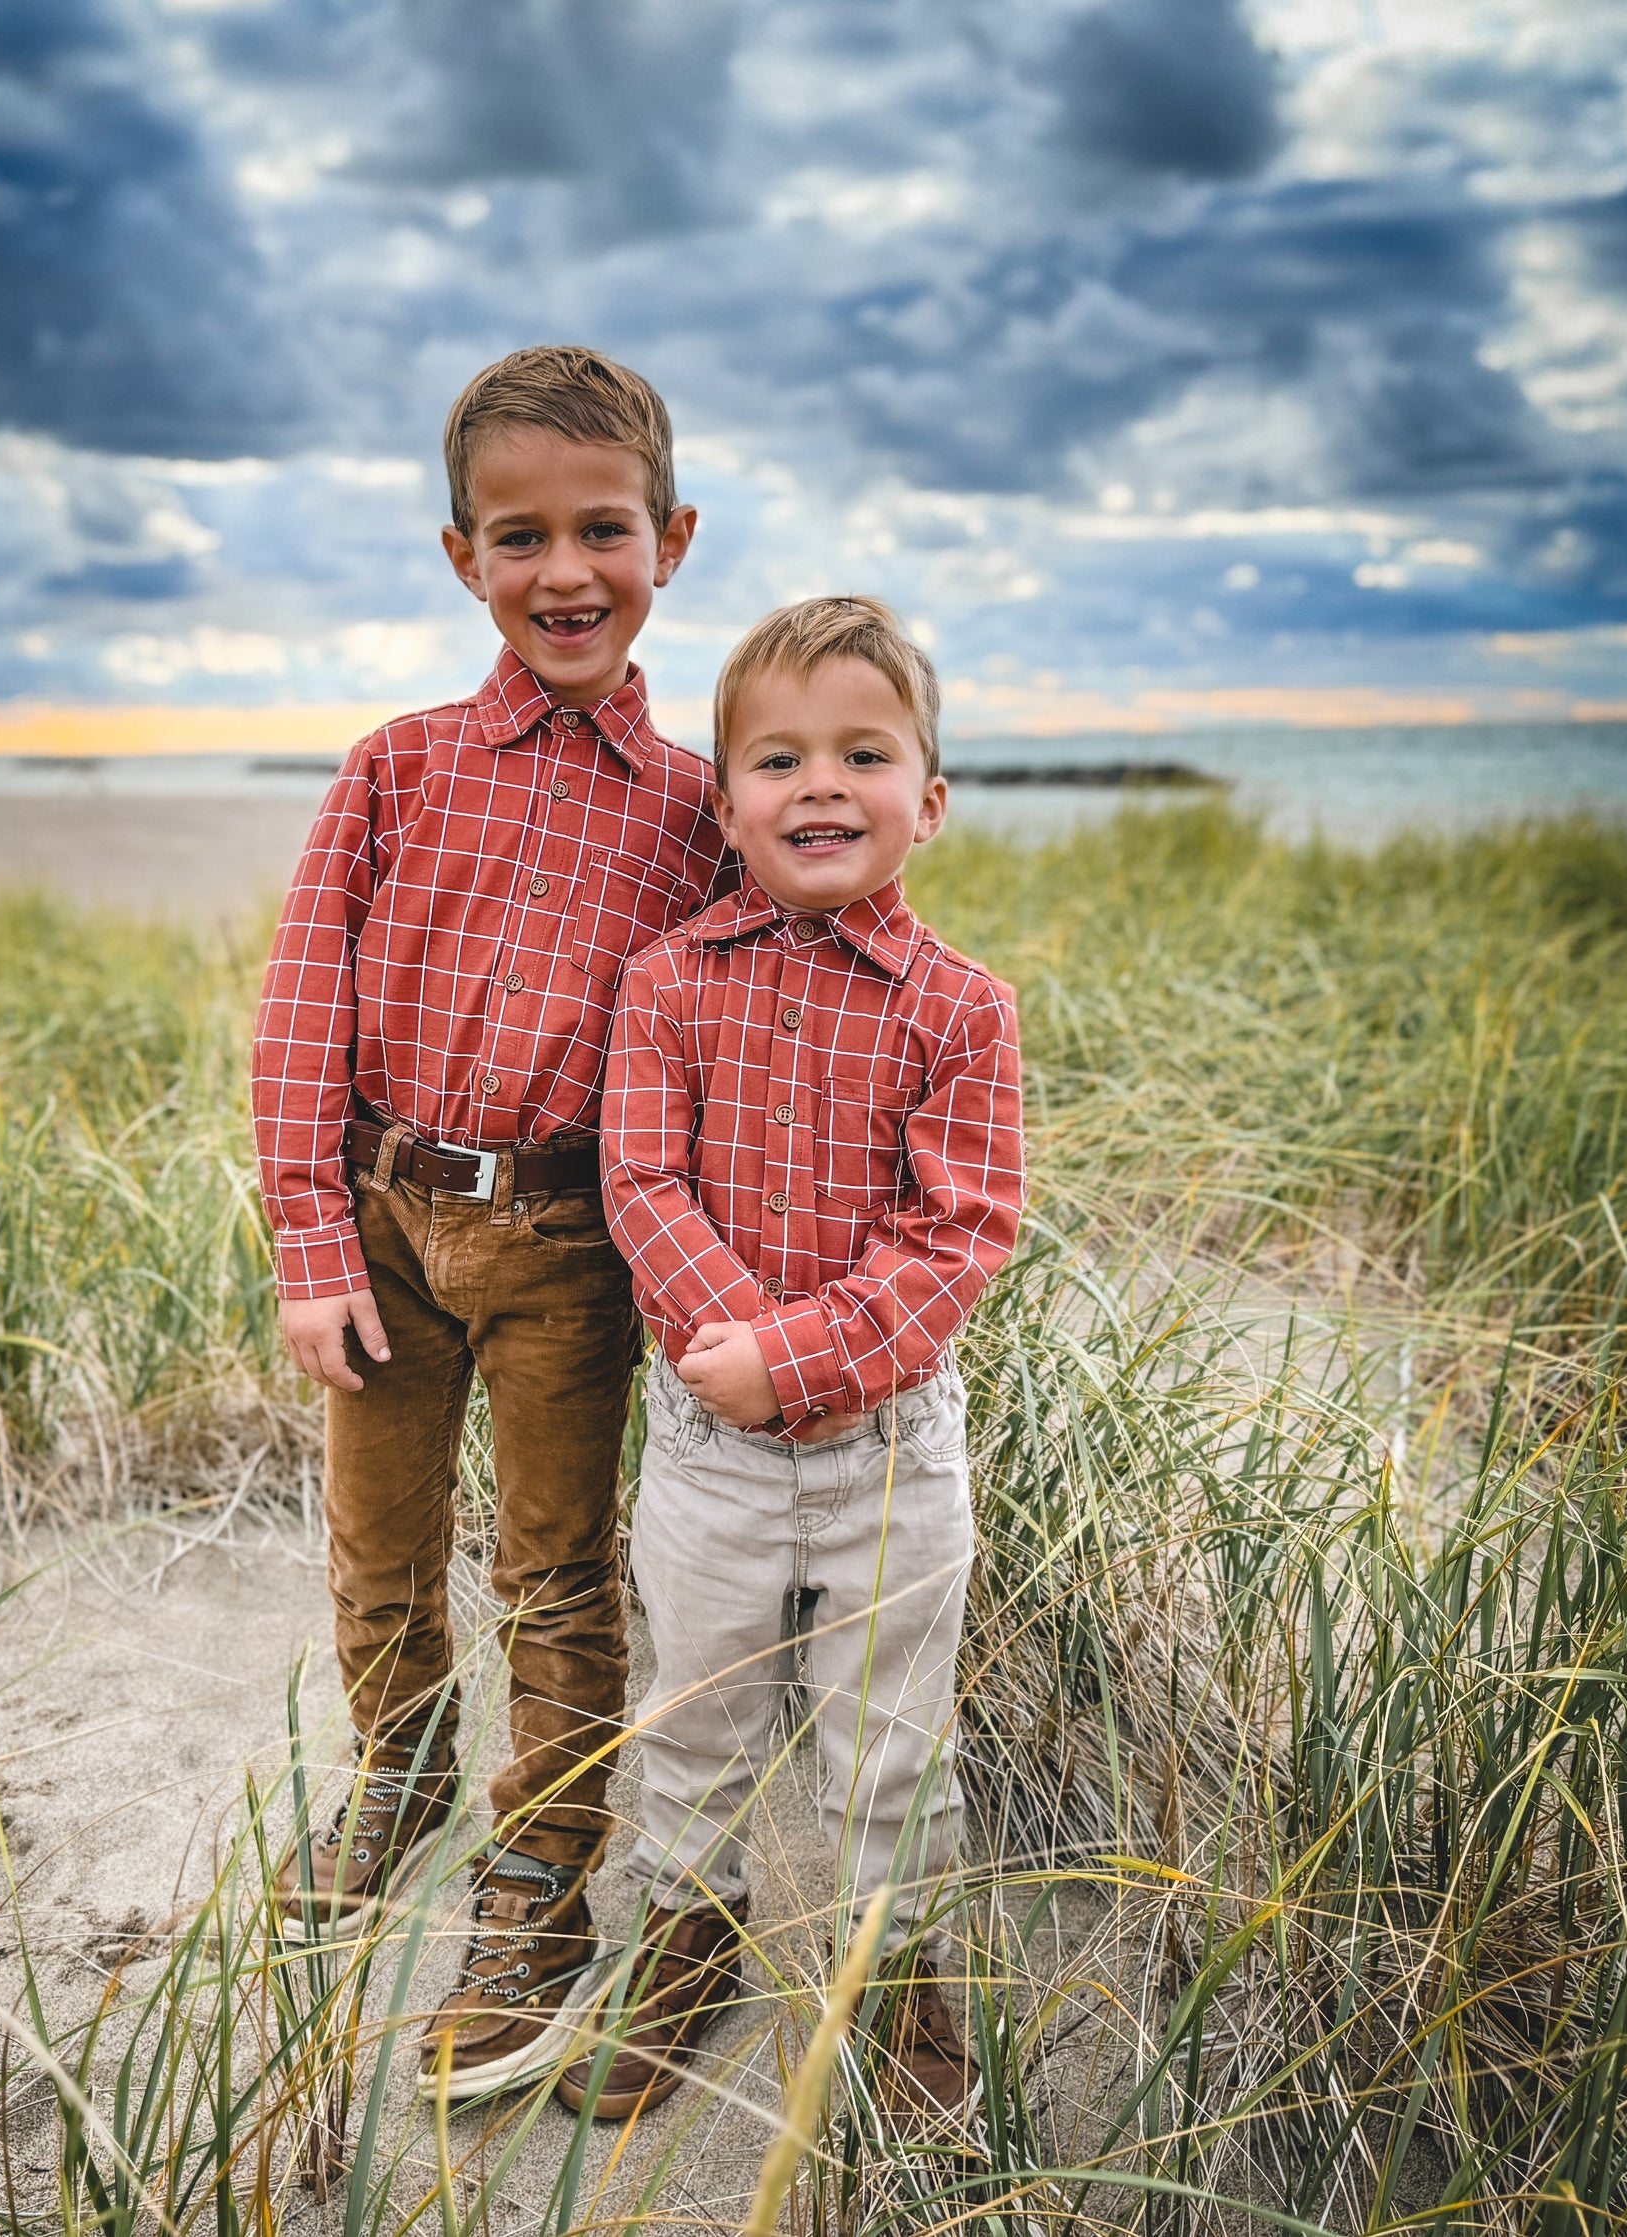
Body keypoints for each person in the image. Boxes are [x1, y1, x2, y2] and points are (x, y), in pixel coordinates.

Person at [250, 345, 729, 2105]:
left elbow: (729, 1033)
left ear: (668, 540)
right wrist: (311, 1237)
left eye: (601, 528)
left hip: (566, 1253)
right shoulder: (397, 768)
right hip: (382, 1219)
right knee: (375, 1543)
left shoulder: (699, 812)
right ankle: (394, 1776)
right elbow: (305, 1008)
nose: (563, 570)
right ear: (464, 559)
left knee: (555, 1567)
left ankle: (541, 1880)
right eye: (518, 536)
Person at [574, 595, 1025, 2135]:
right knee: (691, 1711)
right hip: (708, 1450)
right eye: (777, 757)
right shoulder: (668, 982)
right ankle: (687, 1936)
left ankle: (899, 1981)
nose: (820, 784)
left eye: (862, 752)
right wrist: (728, 1350)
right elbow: (641, 1180)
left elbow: (959, 1229)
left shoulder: (962, 1009)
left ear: (929, 798)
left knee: (888, 1738)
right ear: (724, 800)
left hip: (893, 1450)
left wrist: (799, 1356)